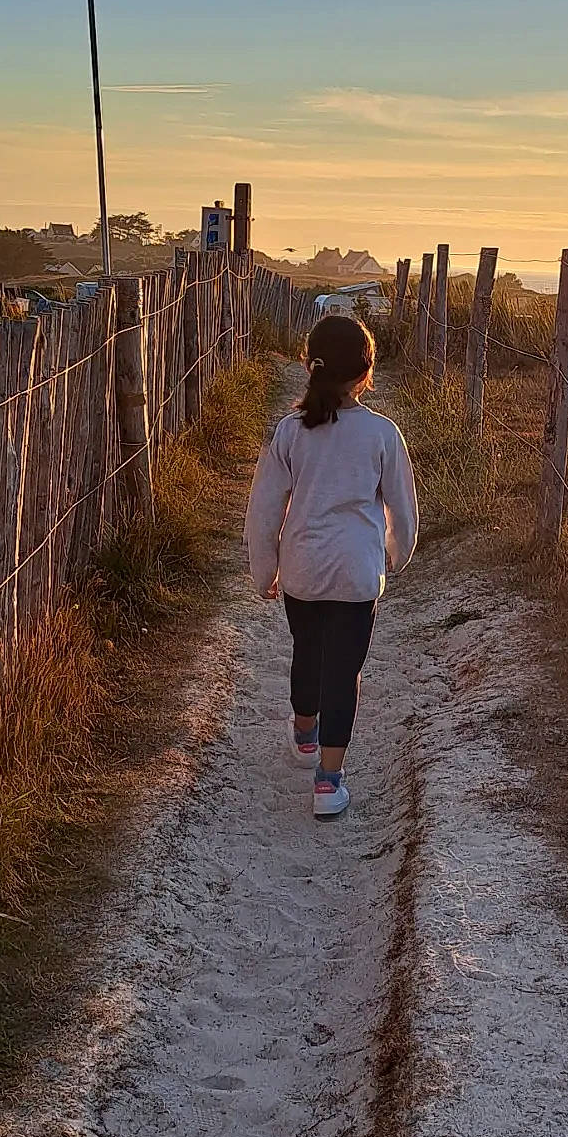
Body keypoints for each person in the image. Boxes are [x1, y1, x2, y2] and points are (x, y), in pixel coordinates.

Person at [244, 315, 419, 818]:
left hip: (303, 566)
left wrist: (264, 568)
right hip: (357, 573)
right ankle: (328, 781)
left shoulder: (290, 432)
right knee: (345, 672)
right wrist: (397, 551)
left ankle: (304, 736)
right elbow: (402, 508)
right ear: (366, 372)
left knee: (307, 651)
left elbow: (264, 506)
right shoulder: (383, 433)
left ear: (310, 365)